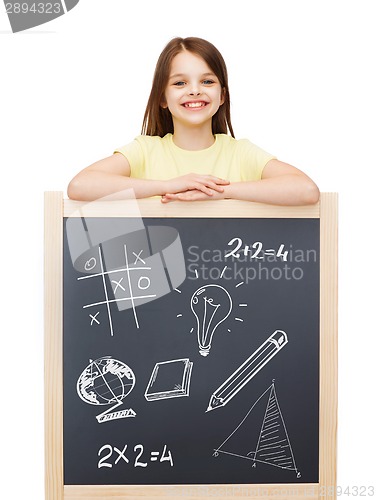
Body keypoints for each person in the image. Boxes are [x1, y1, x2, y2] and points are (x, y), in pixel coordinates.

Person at [67, 37, 319, 205]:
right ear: (162, 98)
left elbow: (306, 190)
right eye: (180, 83)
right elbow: (80, 186)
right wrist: (169, 186)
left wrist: (219, 192)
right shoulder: (145, 151)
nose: (195, 91)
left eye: (207, 81)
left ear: (222, 96)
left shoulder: (240, 153)